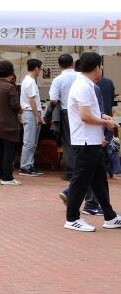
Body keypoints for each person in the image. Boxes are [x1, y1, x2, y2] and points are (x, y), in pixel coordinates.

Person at [63, 51, 121, 232]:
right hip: (85, 141)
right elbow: (85, 116)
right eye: (101, 66)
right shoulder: (83, 86)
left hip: (91, 140)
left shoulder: (86, 84)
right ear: (97, 68)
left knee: (98, 180)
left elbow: (89, 112)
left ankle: (110, 216)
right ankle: (72, 218)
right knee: (80, 180)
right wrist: (106, 122)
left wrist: (103, 117)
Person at [0, 60, 22, 186]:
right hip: (9, 124)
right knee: (9, 151)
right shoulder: (10, 87)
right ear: (11, 71)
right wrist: (20, 109)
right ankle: (7, 177)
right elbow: (15, 106)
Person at [49, 54, 77, 180]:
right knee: (81, 138)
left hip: (66, 112)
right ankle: (82, 168)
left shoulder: (58, 79)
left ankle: (71, 171)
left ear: (59, 66)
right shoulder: (80, 77)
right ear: (73, 63)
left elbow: (54, 99)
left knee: (68, 141)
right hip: (82, 110)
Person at [20, 58, 43, 177]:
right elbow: (31, 100)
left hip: (30, 112)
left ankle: (29, 164)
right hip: (30, 113)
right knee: (29, 141)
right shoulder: (30, 81)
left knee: (32, 142)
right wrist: (37, 116)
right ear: (36, 69)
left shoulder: (28, 80)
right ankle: (24, 166)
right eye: (40, 68)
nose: (40, 71)